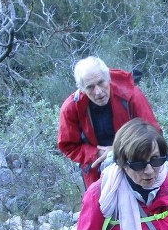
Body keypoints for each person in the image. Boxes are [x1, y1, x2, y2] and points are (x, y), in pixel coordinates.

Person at [57, 56, 159, 189]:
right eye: (90, 87)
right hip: (98, 170)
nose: (98, 92)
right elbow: (68, 145)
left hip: (137, 165)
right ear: (82, 89)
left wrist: (117, 151)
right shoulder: (71, 108)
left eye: (101, 82)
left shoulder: (131, 95)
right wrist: (96, 153)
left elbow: (154, 133)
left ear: (109, 78)